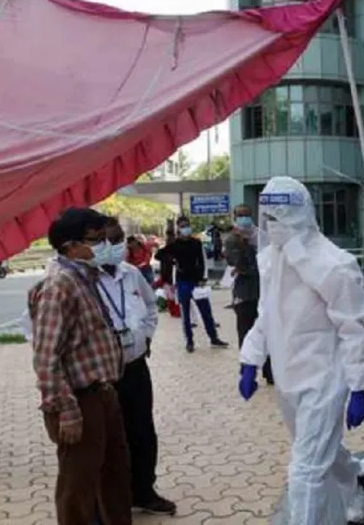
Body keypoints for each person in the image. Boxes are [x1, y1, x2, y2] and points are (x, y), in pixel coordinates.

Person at [238, 176, 364, 524]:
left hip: (325, 379)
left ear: (301, 213)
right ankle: (361, 480)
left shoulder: (334, 264)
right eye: (269, 216)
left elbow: (352, 329)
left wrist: (357, 387)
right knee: (319, 450)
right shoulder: (271, 260)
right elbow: (266, 314)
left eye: (281, 215)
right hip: (288, 379)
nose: (273, 224)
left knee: (305, 470)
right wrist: (250, 359)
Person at [27, 207, 131, 525]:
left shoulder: (87, 279)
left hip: (103, 394)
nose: (104, 245)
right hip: (78, 401)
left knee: (116, 476)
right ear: (71, 246)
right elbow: (46, 358)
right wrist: (66, 411)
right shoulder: (59, 287)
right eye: (96, 239)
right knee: (78, 487)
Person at [100, 218, 177, 515]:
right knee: (110, 437)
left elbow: (150, 307)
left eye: (119, 239)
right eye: (109, 240)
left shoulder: (131, 274)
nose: (116, 246)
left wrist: (145, 337)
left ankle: (144, 490)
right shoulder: (83, 281)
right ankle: (112, 500)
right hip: (104, 374)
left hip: (135, 367)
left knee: (143, 431)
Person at [161, 215, 228, 352]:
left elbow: (202, 260)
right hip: (182, 281)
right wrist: (173, 261)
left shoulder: (196, 243)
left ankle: (214, 338)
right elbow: (159, 255)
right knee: (185, 314)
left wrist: (204, 277)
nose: (185, 228)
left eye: (187, 225)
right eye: (182, 226)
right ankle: (189, 341)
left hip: (197, 281)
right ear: (178, 228)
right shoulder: (174, 244)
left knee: (206, 311)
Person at [225, 204, 273, 385]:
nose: (243, 218)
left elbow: (271, 260)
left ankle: (269, 371)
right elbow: (236, 263)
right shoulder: (232, 239)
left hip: (263, 291)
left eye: (246, 215)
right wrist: (243, 245)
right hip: (244, 293)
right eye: (240, 215)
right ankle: (247, 370)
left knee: (267, 332)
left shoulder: (262, 236)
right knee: (245, 333)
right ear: (235, 217)